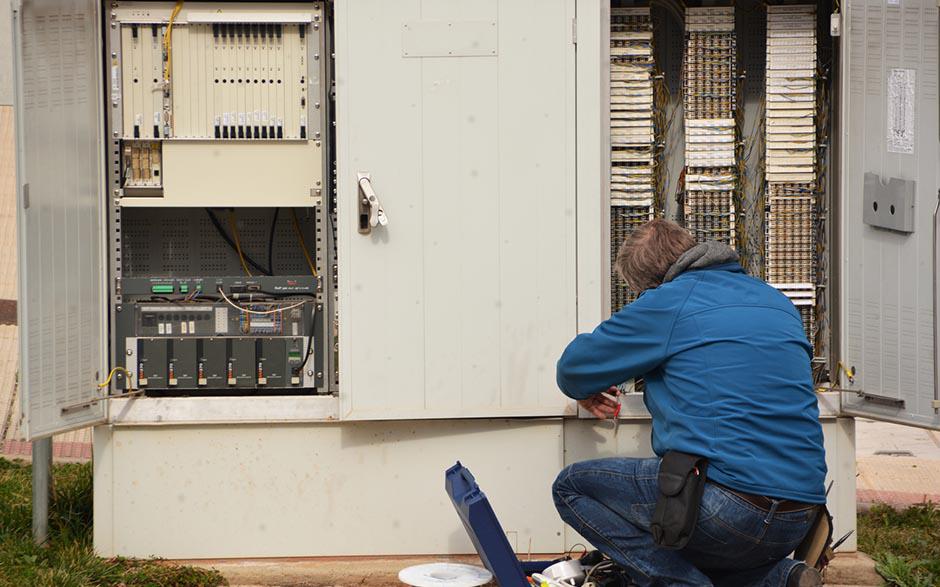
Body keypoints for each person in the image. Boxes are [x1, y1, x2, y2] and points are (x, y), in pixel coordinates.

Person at [552, 219, 827, 587]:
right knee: (691, 536)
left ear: (649, 285)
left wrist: (588, 386)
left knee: (572, 486)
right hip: (800, 517)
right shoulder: (775, 301)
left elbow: (573, 370)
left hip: (730, 510)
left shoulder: (667, 301)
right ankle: (778, 578)